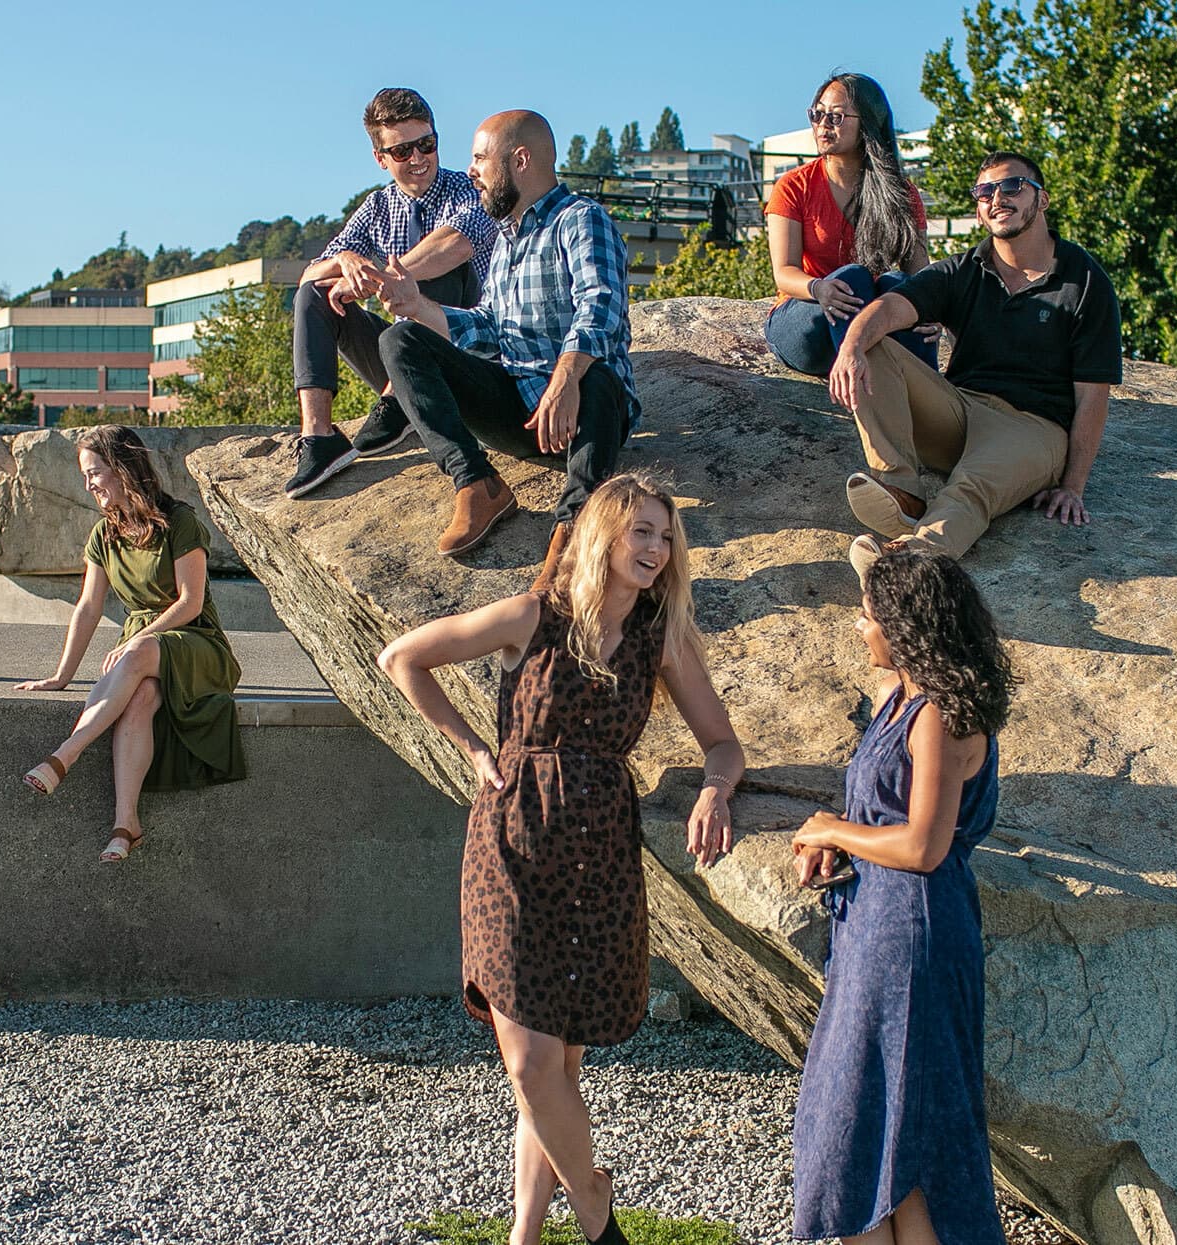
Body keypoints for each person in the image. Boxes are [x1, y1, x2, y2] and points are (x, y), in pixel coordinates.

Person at [378, 473, 743, 1245]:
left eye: (665, 535)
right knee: (531, 1063)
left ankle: (525, 1234)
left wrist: (715, 790)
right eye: (641, 530)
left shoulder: (659, 636)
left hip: (600, 856)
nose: (655, 547)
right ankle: (596, 1204)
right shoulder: (530, 616)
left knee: (556, 1074)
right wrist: (474, 745)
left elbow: (723, 742)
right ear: (604, 534)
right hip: (510, 847)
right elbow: (401, 658)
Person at [788, 547, 1011, 1245]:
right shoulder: (901, 697)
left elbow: (922, 845)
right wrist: (836, 842)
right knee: (863, 1132)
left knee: (907, 1137)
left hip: (912, 941)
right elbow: (882, 817)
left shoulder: (943, 714)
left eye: (870, 615)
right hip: (872, 934)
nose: (861, 627)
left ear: (908, 625)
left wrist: (834, 829)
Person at [828, 151, 1123, 583]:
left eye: (1012, 187)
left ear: (1042, 200)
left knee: (971, 485)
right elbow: (893, 306)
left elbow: (1093, 395)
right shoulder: (966, 269)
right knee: (874, 346)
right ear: (979, 209)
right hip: (960, 410)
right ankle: (903, 491)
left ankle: (908, 560)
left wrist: (1072, 485)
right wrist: (851, 346)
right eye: (985, 191)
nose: (997, 198)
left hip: (1032, 428)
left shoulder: (1084, 281)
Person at [375, 110, 639, 590]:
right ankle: (477, 483)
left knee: (599, 376)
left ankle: (575, 528)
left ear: (520, 160)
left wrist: (565, 378)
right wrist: (417, 307)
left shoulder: (581, 220)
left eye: (480, 159)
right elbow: (487, 327)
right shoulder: (504, 241)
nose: (471, 171)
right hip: (519, 412)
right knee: (399, 339)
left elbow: (602, 305)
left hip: (585, 414)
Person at [16, 425, 245, 862]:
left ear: (123, 469)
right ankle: (126, 825)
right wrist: (61, 675)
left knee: (139, 654)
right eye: (85, 475)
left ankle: (66, 755)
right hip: (141, 654)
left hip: (196, 644)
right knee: (139, 699)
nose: (88, 484)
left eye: (95, 472)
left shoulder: (180, 522)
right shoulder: (104, 534)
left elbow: (191, 603)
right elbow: (87, 608)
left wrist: (139, 638)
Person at [285, 87, 498, 499]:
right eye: (402, 152)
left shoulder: (470, 191)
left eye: (426, 144)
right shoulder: (377, 208)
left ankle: (399, 400)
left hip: (469, 353)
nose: (418, 159)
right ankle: (319, 437)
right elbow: (309, 276)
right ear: (381, 159)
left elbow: (455, 245)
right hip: (402, 353)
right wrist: (346, 259)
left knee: (425, 269)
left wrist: (377, 277)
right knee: (317, 293)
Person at [764, 72, 938, 378]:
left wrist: (933, 311)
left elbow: (919, 273)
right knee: (853, 277)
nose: (823, 125)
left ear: (868, 122)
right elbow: (784, 274)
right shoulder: (794, 186)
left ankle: (936, 402)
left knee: (902, 288)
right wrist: (820, 289)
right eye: (817, 114)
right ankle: (866, 396)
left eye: (836, 116)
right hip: (809, 317)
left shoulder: (901, 194)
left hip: (868, 317)